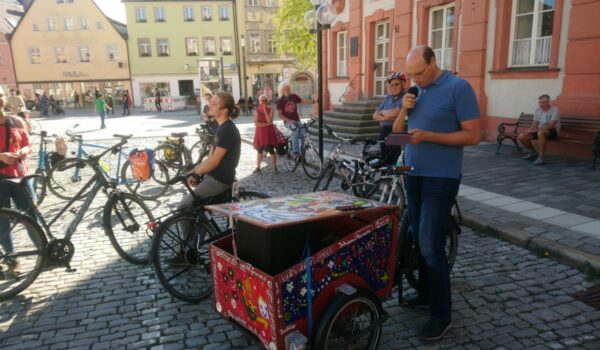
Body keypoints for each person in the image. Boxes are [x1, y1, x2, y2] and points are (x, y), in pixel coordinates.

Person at [392, 45, 480, 341]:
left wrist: (429, 136)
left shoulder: (459, 88)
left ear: (434, 62)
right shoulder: (415, 92)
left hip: (441, 178)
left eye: (420, 72)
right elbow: (396, 131)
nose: (415, 79)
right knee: (418, 240)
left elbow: (473, 135)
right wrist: (404, 109)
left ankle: (442, 315)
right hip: (413, 175)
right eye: (411, 75)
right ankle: (428, 295)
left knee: (430, 244)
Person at [178, 92, 241, 209]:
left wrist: (196, 173)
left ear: (224, 110)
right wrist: (192, 172)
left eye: (214, 103)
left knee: (182, 207)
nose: (210, 105)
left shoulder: (227, 130)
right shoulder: (220, 127)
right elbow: (210, 158)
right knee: (195, 208)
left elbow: (214, 161)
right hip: (213, 177)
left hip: (219, 180)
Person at [0, 87, 35, 274]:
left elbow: (28, 144)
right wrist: (1, 156)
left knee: (31, 216)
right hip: (0, 178)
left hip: (20, 176)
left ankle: (44, 253)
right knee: (2, 221)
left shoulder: (15, 120)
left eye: (0, 96)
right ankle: (11, 260)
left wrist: (24, 151)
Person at [372, 71, 407, 165]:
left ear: (403, 84)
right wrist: (385, 116)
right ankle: (386, 179)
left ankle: (397, 179)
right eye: (391, 85)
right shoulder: (388, 97)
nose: (393, 87)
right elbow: (375, 115)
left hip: (397, 133)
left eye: (396, 84)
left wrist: (383, 113)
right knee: (385, 160)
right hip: (384, 132)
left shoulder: (406, 97)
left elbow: (395, 113)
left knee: (396, 161)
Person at [517, 94, 560, 165]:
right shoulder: (537, 110)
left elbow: (551, 125)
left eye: (543, 102)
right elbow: (535, 123)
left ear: (549, 102)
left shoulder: (555, 110)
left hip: (553, 131)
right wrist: (530, 130)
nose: (541, 104)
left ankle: (541, 157)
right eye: (540, 102)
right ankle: (533, 152)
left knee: (541, 132)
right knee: (522, 136)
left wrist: (536, 130)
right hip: (539, 130)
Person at [276, 81, 313, 156]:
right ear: (282, 90)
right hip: (287, 122)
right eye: (285, 89)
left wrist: (313, 101)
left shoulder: (293, 96)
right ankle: (296, 151)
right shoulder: (280, 101)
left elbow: (302, 101)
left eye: (288, 88)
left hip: (297, 120)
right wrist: (289, 120)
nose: (287, 90)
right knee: (294, 129)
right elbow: (280, 115)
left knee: (303, 134)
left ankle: (303, 153)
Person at [253, 94, 279, 174]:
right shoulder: (257, 111)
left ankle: (274, 168)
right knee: (259, 150)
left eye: (265, 101)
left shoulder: (270, 110)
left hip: (268, 133)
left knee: (271, 149)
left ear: (267, 102)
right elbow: (256, 124)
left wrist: (264, 110)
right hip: (260, 133)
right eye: (261, 101)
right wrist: (267, 124)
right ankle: (258, 167)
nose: (263, 102)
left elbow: (269, 120)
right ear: (259, 101)